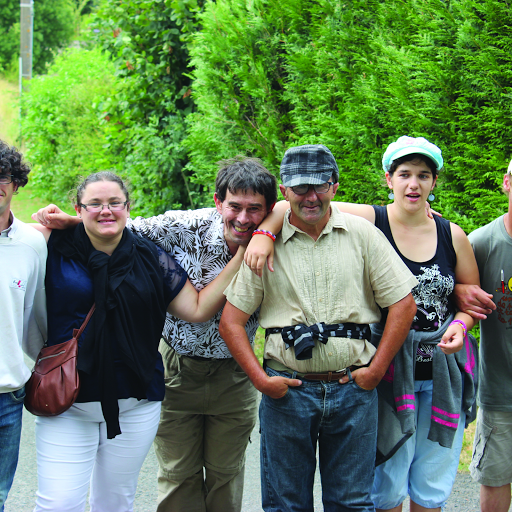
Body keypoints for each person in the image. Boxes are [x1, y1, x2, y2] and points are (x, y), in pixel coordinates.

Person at [245, 136, 481, 512]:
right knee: (385, 480)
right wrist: (263, 232)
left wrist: (464, 321)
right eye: (405, 174)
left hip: (438, 371)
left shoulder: (451, 234)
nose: (413, 184)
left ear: (435, 182)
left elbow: (467, 293)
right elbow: (301, 202)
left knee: (431, 478)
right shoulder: (372, 220)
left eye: (423, 175)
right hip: (389, 371)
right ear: (389, 178)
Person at [31, 157, 278, 512]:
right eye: (234, 206)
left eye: (255, 210)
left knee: (225, 473)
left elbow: (293, 205)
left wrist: (265, 232)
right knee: (177, 474)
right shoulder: (181, 226)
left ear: (268, 210)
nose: (242, 217)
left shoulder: (275, 232)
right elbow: (119, 227)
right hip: (175, 369)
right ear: (217, 200)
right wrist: (78, 221)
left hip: (230, 374)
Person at [219, 144, 418, 512]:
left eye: (320, 186)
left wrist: (375, 371)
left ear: (335, 187)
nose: (310, 197)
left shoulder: (363, 235)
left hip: (352, 393)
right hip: (287, 394)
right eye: (299, 188)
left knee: (352, 503)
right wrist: (261, 381)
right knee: (285, 504)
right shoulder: (264, 247)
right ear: (284, 192)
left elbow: (403, 305)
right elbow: (231, 321)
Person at [453, 158, 512, 512]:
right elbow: (462, 301)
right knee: (494, 480)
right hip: (501, 393)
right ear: (507, 182)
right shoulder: (483, 243)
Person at [0, 141, 47, 512]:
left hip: (7, 396)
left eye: (3, 175)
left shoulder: (32, 243)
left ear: (16, 183)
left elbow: (34, 315)